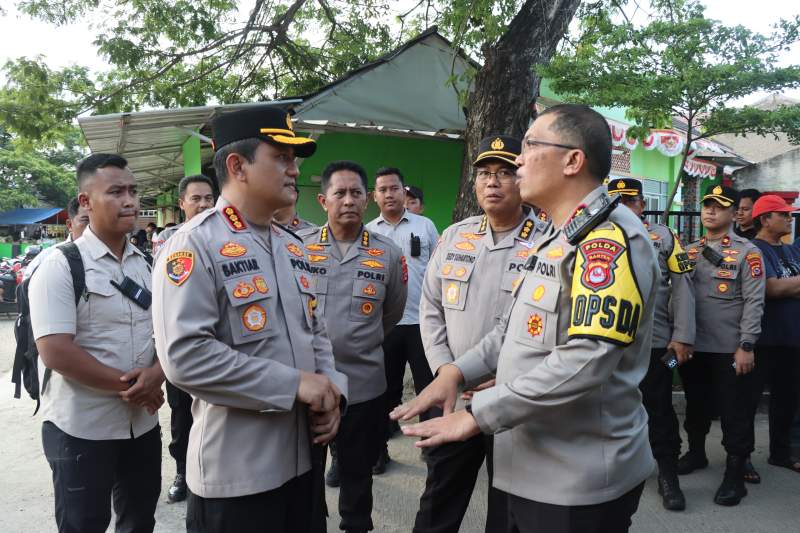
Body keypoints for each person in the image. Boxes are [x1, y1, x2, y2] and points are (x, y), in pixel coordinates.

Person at [393, 104, 659, 533]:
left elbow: (588, 359)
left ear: (573, 160)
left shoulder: (607, 240)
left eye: (531, 145)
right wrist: (455, 373)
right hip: (530, 465)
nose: (518, 160)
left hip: (575, 479)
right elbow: (511, 329)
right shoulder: (558, 236)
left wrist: (478, 414)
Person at [152, 106, 348, 533]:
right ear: (237, 166)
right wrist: (294, 384)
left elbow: (315, 331)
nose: (295, 170)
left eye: (294, 159)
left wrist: (334, 393)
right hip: (238, 477)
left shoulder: (292, 245)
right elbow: (185, 357)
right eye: (281, 158)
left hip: (304, 464)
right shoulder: (194, 244)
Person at [415, 135, 545, 533]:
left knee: (508, 508)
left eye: (504, 172)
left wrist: (510, 376)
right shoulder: (456, 235)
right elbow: (430, 308)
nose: (492, 182)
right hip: (455, 395)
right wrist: (445, 370)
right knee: (439, 500)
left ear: (522, 179)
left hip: (513, 399)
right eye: (485, 173)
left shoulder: (547, 241)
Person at [29, 153, 165, 533]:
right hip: (82, 430)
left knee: (139, 520)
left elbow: (165, 332)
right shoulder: (60, 264)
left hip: (141, 426)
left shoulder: (146, 264)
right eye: (116, 192)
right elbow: (55, 350)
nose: (130, 201)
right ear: (86, 202)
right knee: (83, 524)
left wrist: (157, 374)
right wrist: (135, 387)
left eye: (133, 191)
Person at [299, 160, 407, 533]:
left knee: (358, 475)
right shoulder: (299, 249)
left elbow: (391, 314)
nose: (348, 200)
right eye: (340, 193)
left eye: (356, 193)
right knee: (306, 476)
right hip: (310, 386)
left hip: (363, 387)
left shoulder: (388, 253)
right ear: (323, 200)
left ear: (367, 199)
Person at [608, 178, 695, 511]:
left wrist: (682, 337)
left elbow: (683, 287)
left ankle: (667, 474)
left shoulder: (665, 237)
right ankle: (615, 472)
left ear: (642, 205)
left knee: (659, 407)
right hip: (606, 343)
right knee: (608, 409)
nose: (621, 207)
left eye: (629, 200)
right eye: (615, 200)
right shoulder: (594, 234)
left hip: (656, 345)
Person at [678, 184, 765, 506]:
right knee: (696, 404)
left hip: (730, 350)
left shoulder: (748, 252)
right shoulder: (688, 251)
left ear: (733, 213)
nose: (710, 211)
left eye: (719, 206)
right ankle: (696, 453)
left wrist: (747, 345)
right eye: (707, 205)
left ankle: (735, 473)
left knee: (733, 412)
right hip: (692, 348)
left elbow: (755, 302)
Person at [366, 167, 440, 473]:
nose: (389, 194)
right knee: (384, 389)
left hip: (423, 323)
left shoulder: (425, 226)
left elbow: (438, 270)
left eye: (394, 188)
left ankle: (433, 448)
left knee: (429, 388)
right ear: (374, 196)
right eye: (382, 190)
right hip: (385, 325)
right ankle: (379, 449)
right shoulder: (368, 232)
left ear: (403, 191)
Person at [152, 174, 216, 503]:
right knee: (181, 412)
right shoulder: (169, 240)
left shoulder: (226, 236)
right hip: (181, 342)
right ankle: (182, 471)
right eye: (196, 199)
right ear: (181, 204)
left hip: (217, 343)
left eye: (208, 198)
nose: (204, 204)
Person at [750, 195, 800, 474]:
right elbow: (771, 288)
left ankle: (780, 454)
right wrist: (786, 287)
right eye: (784, 214)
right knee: (748, 401)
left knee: (787, 400)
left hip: (792, 340)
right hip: (763, 340)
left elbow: (784, 286)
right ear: (765, 219)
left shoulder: (791, 251)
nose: (790, 219)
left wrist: (787, 286)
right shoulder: (755, 249)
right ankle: (741, 458)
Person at [23, 197, 90, 282]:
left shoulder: (106, 258)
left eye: (99, 221)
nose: (94, 227)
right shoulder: (47, 258)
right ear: (70, 225)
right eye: (86, 220)